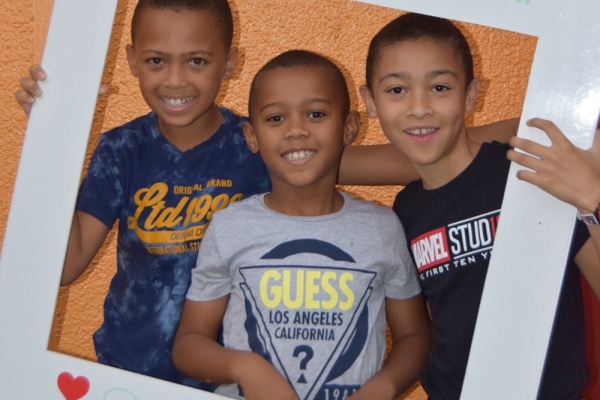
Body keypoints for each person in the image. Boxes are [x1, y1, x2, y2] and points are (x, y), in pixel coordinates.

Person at [359, 12, 600, 400]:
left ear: (471, 94)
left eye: (439, 87)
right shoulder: (404, 212)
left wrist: (591, 200)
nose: (418, 108)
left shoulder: (524, 173)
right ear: (370, 101)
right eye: (397, 90)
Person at [172, 50, 432, 400]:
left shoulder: (382, 228)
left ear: (349, 127)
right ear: (251, 135)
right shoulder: (229, 226)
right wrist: (246, 368)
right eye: (276, 118)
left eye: (316, 114)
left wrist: (384, 387)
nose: (296, 130)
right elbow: (188, 345)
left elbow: (415, 336)